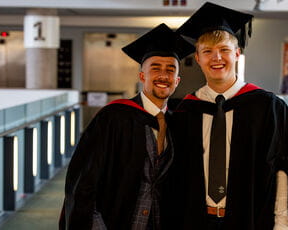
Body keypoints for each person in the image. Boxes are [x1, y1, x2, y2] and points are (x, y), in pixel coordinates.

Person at [169, 2, 288, 229]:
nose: (216, 58)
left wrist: (281, 224)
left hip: (250, 218)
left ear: (237, 54)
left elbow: (285, 170)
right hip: (195, 219)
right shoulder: (185, 111)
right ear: (198, 58)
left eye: (224, 50)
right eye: (208, 52)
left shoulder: (268, 107)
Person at [59, 23, 195, 230]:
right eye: (155, 68)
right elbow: (84, 182)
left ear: (177, 80)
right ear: (142, 76)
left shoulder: (178, 123)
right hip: (115, 221)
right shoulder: (113, 117)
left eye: (170, 70)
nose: (163, 75)